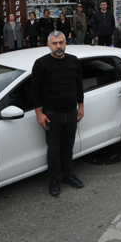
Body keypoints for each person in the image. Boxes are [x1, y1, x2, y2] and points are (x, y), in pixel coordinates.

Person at [31, 31, 85, 197]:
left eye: (61, 42)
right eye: (55, 43)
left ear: (65, 43)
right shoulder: (41, 64)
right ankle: (54, 179)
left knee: (68, 147)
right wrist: (39, 114)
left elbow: (79, 85)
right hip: (51, 115)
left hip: (70, 113)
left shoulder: (74, 61)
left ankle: (68, 175)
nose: (58, 46)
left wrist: (81, 106)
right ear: (48, 45)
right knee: (53, 150)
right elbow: (34, 90)